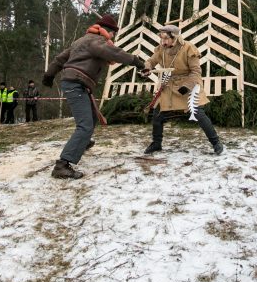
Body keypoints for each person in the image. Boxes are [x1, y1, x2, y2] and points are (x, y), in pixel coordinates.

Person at [43, 14, 146, 179]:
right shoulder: (97, 41)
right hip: (76, 83)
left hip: (76, 82)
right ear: (106, 30)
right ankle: (62, 165)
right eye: (112, 33)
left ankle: (82, 143)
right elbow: (114, 53)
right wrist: (136, 61)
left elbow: (60, 58)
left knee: (92, 116)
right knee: (85, 125)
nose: (112, 37)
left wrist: (49, 75)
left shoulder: (81, 41)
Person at [142, 25, 224, 156]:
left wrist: (187, 86)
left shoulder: (188, 48)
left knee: (198, 113)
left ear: (175, 37)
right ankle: (156, 143)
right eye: (161, 38)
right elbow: (151, 61)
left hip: (189, 83)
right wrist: (146, 68)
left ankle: (216, 143)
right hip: (169, 84)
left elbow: (196, 71)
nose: (163, 42)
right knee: (158, 115)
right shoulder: (161, 49)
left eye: (166, 38)